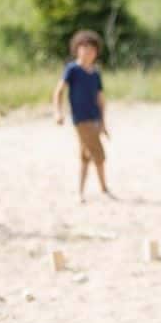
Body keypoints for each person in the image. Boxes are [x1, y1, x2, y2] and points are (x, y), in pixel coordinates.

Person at [53, 29, 114, 203]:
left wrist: (103, 123)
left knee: (85, 156)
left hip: (95, 118)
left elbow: (101, 99)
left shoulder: (95, 73)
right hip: (81, 120)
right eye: (84, 48)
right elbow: (58, 91)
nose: (88, 52)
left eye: (92, 49)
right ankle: (103, 188)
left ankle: (81, 192)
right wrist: (58, 112)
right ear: (77, 49)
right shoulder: (72, 69)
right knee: (99, 154)